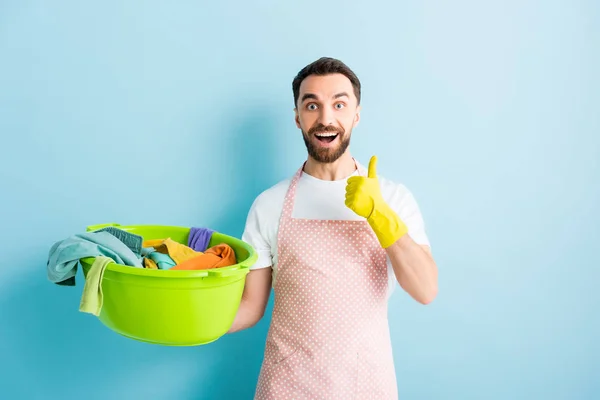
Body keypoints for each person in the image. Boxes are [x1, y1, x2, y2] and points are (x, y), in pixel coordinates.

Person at [228, 57, 438, 399]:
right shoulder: (269, 204)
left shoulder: (393, 198)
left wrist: (380, 216)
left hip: (366, 385)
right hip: (286, 387)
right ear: (297, 117)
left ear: (356, 113)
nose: (326, 118)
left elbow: (425, 289)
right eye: (312, 105)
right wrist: (191, 324)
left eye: (339, 104)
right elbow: (251, 307)